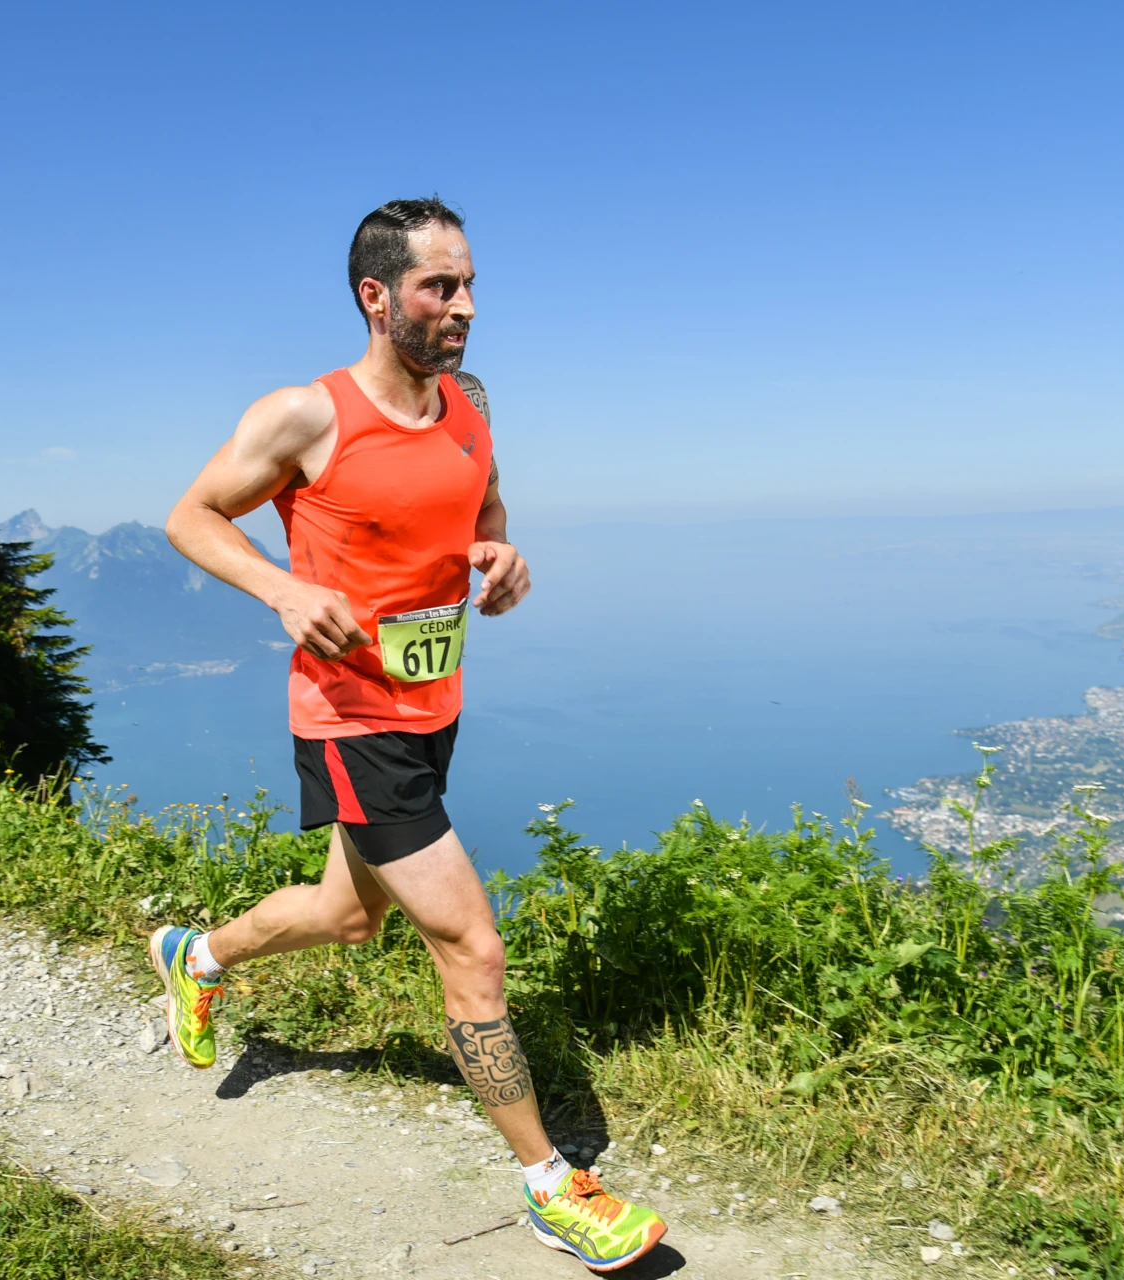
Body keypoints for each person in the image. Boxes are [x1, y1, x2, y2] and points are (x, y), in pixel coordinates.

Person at [157, 197, 665, 1271]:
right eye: (441, 286)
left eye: (471, 283)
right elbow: (193, 516)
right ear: (376, 296)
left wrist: (500, 557)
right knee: (471, 946)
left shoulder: (469, 402)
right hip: (350, 718)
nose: (466, 306)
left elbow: (487, 512)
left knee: (347, 918)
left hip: (434, 707)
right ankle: (548, 1183)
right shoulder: (307, 415)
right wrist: (284, 590)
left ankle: (194, 954)